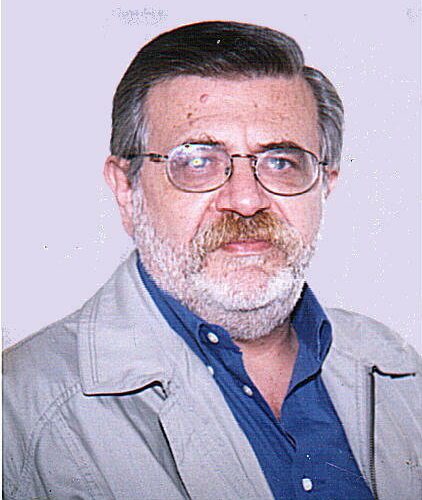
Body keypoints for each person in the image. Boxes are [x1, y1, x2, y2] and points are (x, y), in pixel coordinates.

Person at [3, 21, 421, 500]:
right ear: (126, 189)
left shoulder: (399, 372)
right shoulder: (19, 411)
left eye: (281, 162)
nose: (245, 200)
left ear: (325, 184)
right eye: (197, 161)